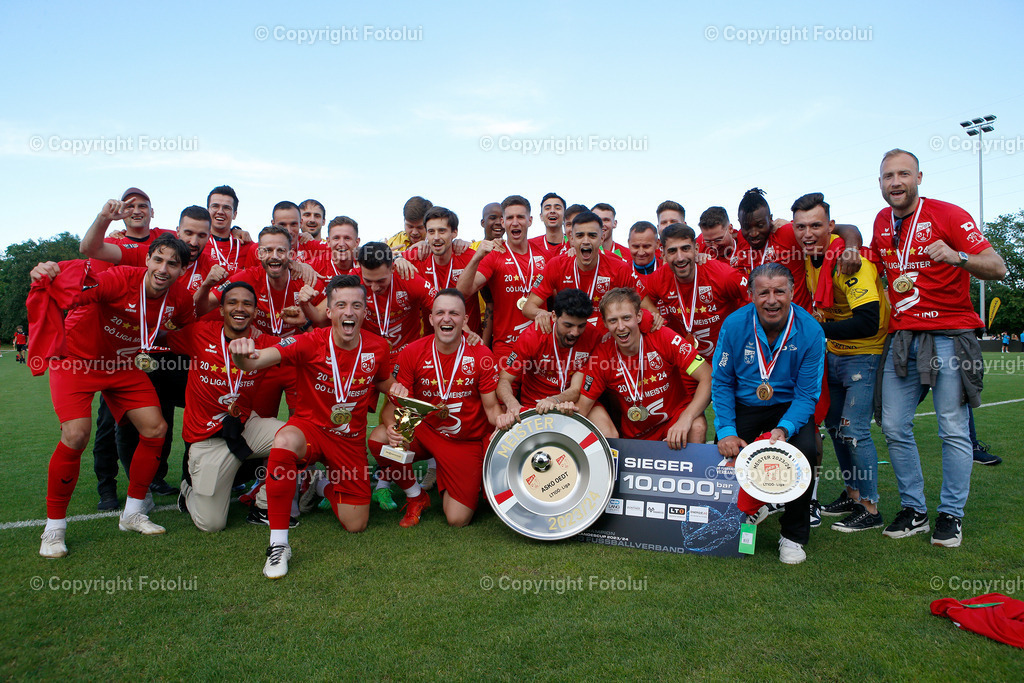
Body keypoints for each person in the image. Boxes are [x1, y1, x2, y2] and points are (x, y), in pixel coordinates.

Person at [870, 149, 1006, 547]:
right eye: (887, 176)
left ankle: (951, 514)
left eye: (903, 174)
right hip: (903, 339)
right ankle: (915, 510)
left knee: (953, 427)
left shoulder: (949, 214)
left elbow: (997, 267)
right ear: (880, 183)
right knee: (893, 425)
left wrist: (959, 256)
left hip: (949, 337)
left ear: (919, 177)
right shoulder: (881, 221)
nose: (895, 182)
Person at [32, 232, 197, 558]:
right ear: (148, 259)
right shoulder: (121, 278)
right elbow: (77, 290)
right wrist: (49, 275)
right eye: (159, 259)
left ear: (182, 270)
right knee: (77, 435)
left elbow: (188, 330)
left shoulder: (180, 298)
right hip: (77, 359)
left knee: (156, 428)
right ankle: (54, 528)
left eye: (173, 264)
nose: (164, 268)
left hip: (123, 364)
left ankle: (133, 512)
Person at [230, 274, 398, 578]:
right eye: (341, 305)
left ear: (364, 311)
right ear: (329, 312)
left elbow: (384, 380)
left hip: (348, 441)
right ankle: (279, 544)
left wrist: (397, 390)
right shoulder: (310, 342)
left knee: (356, 524)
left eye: (356, 305)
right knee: (284, 441)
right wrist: (242, 356)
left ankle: (319, 484)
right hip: (310, 430)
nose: (349, 311)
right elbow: (257, 361)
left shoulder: (378, 347)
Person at [712, 263, 826, 564]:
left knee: (804, 453)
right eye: (763, 292)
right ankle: (740, 521)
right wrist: (725, 430)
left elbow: (807, 395)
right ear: (751, 295)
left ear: (791, 293)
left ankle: (793, 536)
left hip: (788, 408)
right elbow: (722, 382)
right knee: (724, 457)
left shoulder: (811, 331)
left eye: (779, 291)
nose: (771, 300)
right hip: (745, 405)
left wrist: (786, 428)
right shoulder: (734, 325)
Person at [793, 192, 889, 532]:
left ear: (830, 226)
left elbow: (867, 320)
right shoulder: (811, 257)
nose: (807, 233)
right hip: (834, 353)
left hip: (864, 352)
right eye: (801, 226)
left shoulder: (852, 260)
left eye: (816, 226)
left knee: (853, 429)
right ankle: (853, 493)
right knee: (834, 428)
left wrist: (816, 329)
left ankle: (871, 507)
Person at [368, 289, 502, 528]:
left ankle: (456, 474)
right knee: (380, 440)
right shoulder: (412, 352)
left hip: (464, 440)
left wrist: (507, 420)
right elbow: (393, 409)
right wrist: (392, 428)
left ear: (465, 320)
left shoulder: (481, 354)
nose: (446, 318)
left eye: (454, 313)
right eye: (440, 312)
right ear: (430, 319)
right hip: (424, 430)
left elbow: (491, 408)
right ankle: (416, 496)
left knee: (457, 519)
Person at [165, 282, 284, 531]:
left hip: (245, 429)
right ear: (221, 310)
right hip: (207, 440)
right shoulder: (199, 333)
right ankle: (189, 488)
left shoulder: (264, 342)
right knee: (211, 525)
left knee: (297, 439)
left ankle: (263, 505)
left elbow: (305, 347)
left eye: (247, 304)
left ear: (254, 311)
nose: (239, 308)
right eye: (232, 302)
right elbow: (159, 335)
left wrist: (305, 322)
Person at [576, 288, 711, 448]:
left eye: (626, 318)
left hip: (675, 418)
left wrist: (686, 418)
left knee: (697, 427)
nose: (620, 327)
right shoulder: (601, 357)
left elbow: (707, 377)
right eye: (613, 321)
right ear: (605, 323)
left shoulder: (663, 336)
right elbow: (584, 407)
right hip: (637, 434)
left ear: (639, 316)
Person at [522, 211, 661, 332]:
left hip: (606, 341)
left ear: (601, 239)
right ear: (571, 238)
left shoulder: (619, 268)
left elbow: (650, 309)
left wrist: (653, 318)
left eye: (592, 235)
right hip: (571, 336)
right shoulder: (556, 265)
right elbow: (528, 307)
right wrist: (541, 313)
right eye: (580, 235)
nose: (586, 241)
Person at [456, 195, 548, 361]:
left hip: (540, 344)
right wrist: (477, 257)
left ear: (530, 220)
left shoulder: (544, 255)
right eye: (510, 217)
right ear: (503, 222)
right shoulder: (494, 256)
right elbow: (462, 292)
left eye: (520, 217)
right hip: (506, 347)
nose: (515, 222)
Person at [496, 288, 603, 428]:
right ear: (553, 316)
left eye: (581, 326)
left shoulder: (592, 336)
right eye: (568, 325)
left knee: (608, 431)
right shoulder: (532, 336)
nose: (575, 333)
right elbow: (504, 381)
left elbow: (576, 389)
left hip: (573, 402)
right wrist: (512, 403)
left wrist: (555, 400)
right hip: (534, 404)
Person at [644, 223, 748, 359]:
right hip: (689, 360)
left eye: (685, 249)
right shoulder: (659, 278)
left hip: (728, 357)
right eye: (672, 251)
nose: (680, 258)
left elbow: (755, 301)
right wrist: (652, 314)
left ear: (696, 249)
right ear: (663, 253)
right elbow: (640, 298)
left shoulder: (722, 275)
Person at [205, 185, 254, 275]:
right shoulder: (197, 243)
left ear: (234, 214)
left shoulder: (247, 244)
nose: (220, 212)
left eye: (226, 208)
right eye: (215, 206)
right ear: (207, 211)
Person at [529, 192, 569, 262]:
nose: (552, 211)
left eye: (557, 208)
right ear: (541, 216)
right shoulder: (530, 245)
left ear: (565, 216)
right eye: (547, 208)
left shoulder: (573, 243)